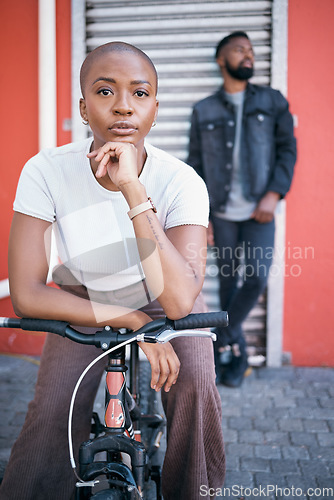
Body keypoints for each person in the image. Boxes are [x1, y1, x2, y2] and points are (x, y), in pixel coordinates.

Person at [0, 42, 225, 499]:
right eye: (105, 91)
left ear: (155, 109)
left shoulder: (182, 181)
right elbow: (26, 292)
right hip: (85, 291)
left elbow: (180, 299)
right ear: (84, 107)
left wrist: (131, 189)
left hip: (163, 289)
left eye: (140, 94)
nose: (123, 105)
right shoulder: (46, 171)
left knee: (195, 385)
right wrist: (133, 321)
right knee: (55, 409)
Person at [187, 31, 297, 388]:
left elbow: (287, 149)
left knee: (256, 278)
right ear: (222, 60)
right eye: (239, 50)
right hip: (221, 213)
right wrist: (202, 218)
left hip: (259, 212)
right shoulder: (203, 109)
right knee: (229, 284)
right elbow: (195, 165)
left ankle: (217, 340)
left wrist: (275, 193)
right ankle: (237, 360)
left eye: (250, 50)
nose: (248, 55)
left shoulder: (272, 101)